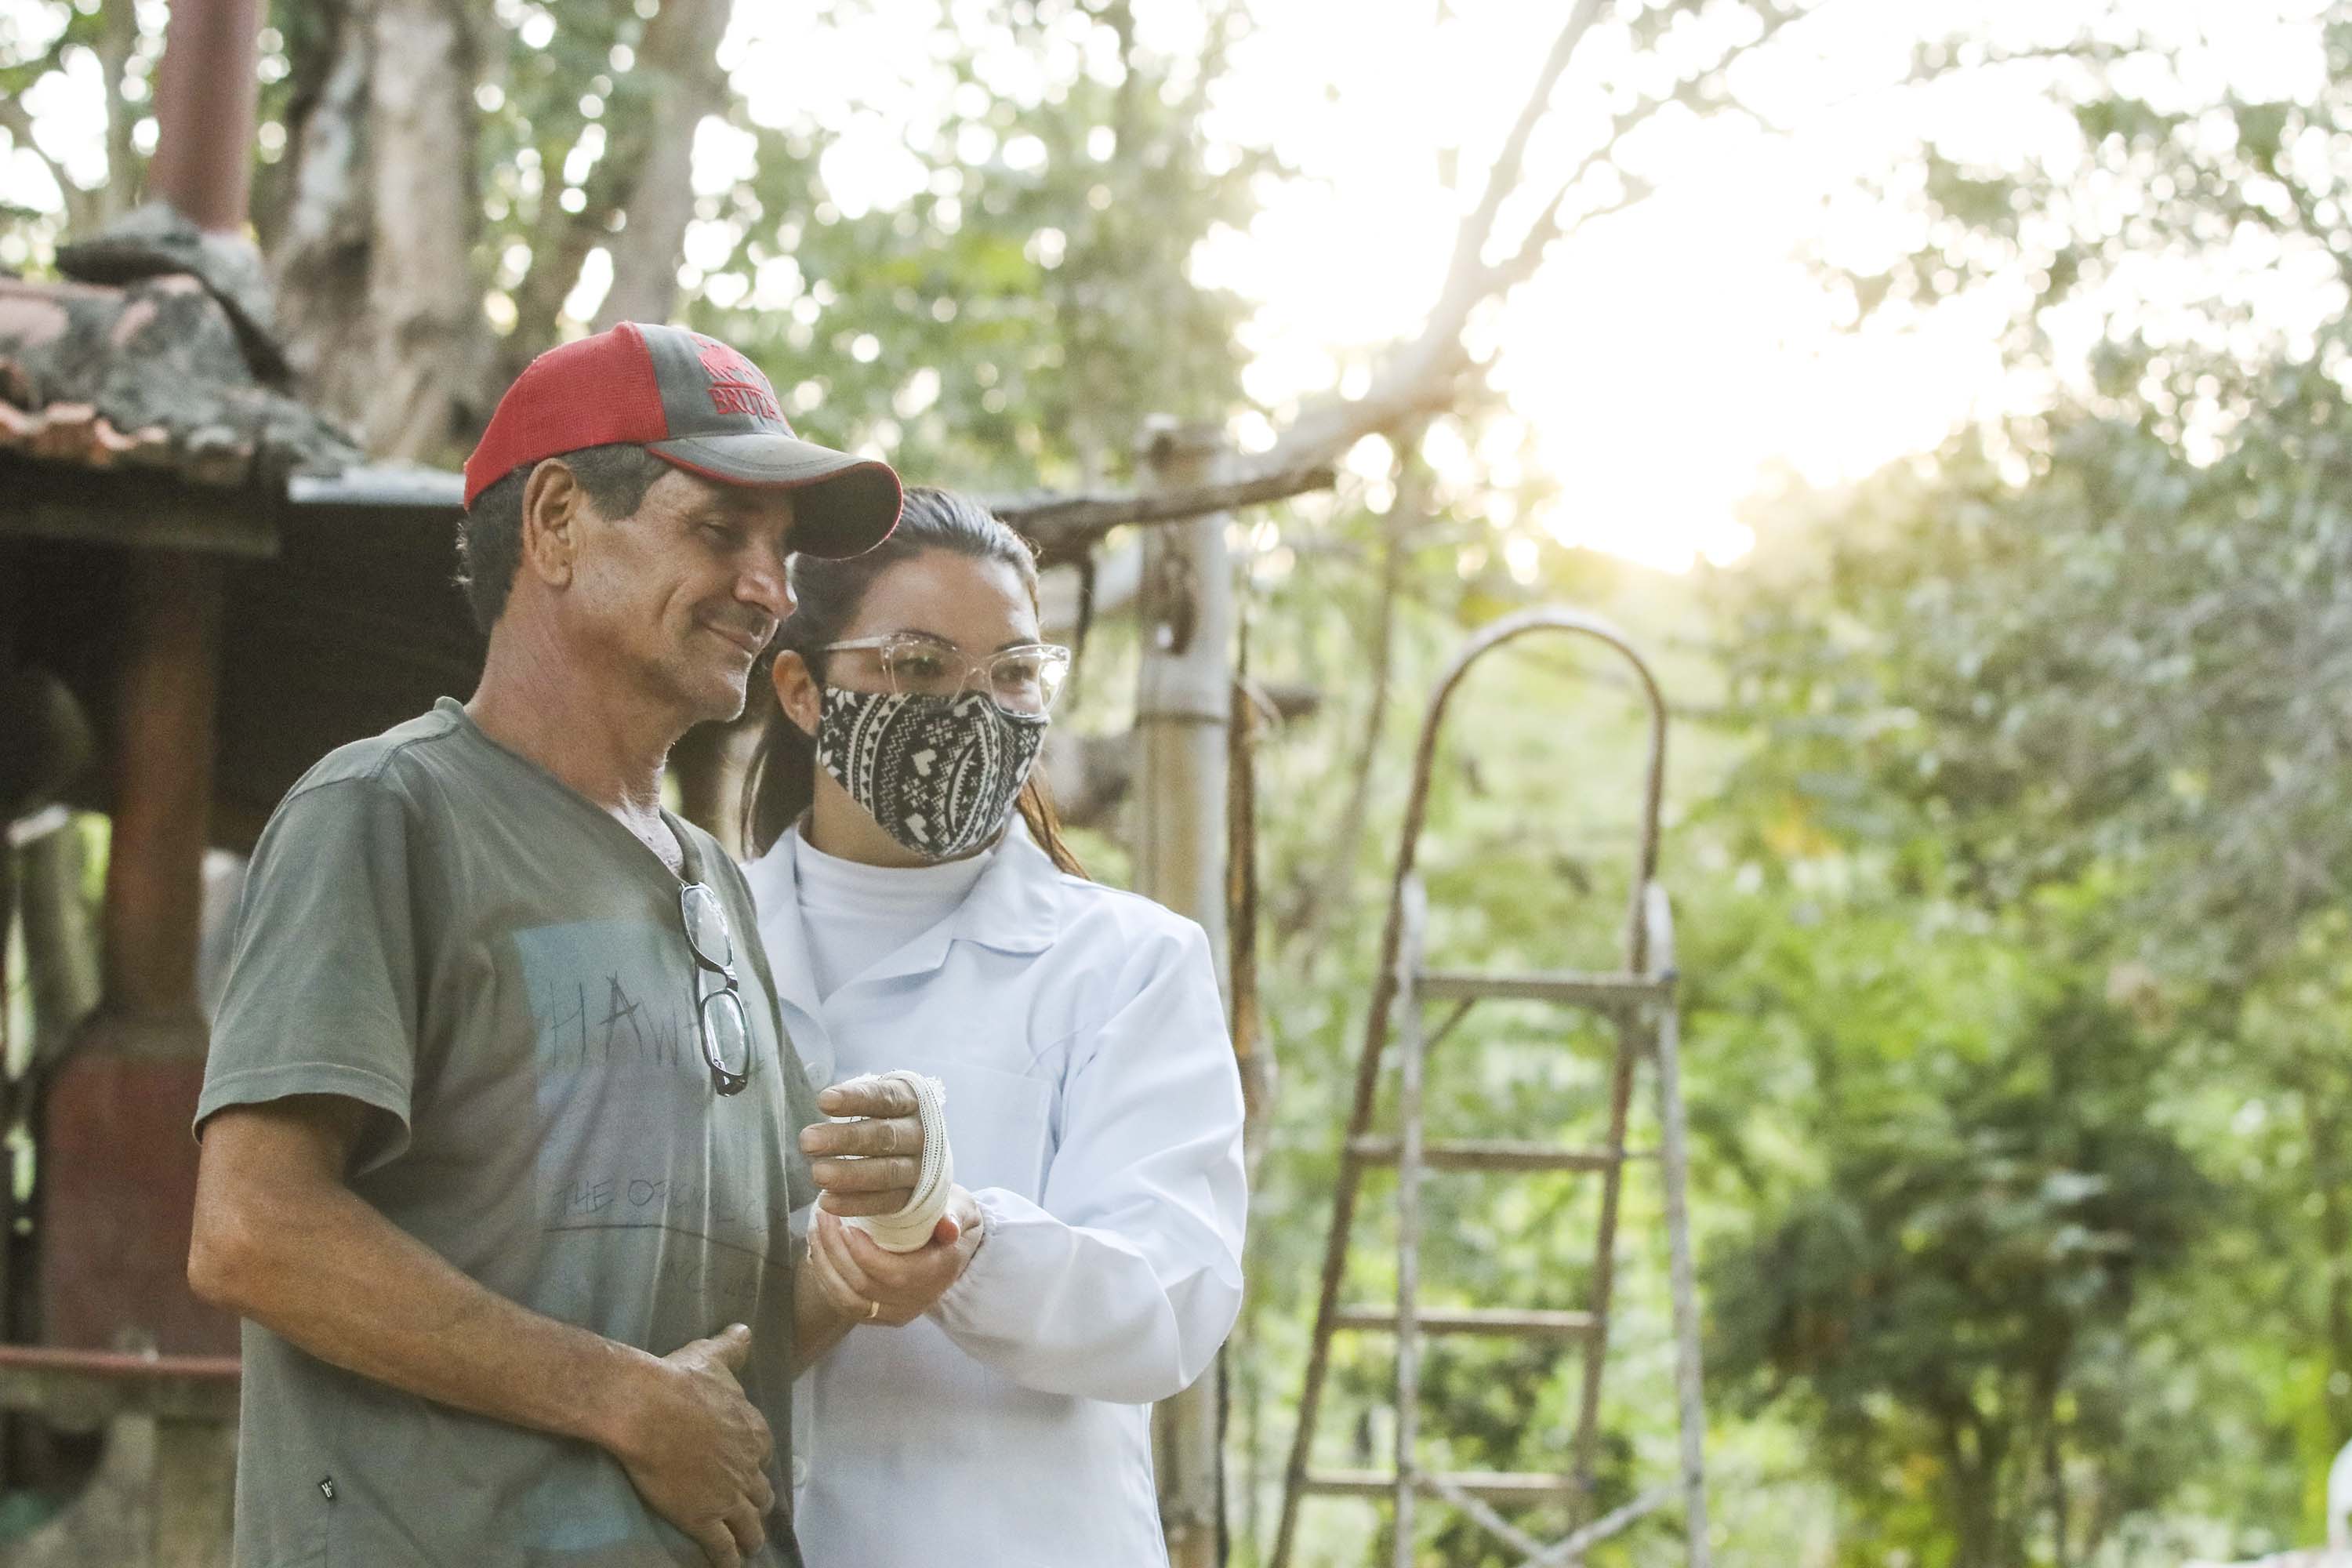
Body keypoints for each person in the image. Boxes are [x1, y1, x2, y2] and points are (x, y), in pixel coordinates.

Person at [187, 321, 964, 1568]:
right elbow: (251, 1230)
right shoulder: (387, 815)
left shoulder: (712, 883)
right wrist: (618, 1400)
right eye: (719, 531)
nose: (770, 588)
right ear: (554, 523)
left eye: (780, 551)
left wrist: (873, 1256)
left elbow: (724, 1332)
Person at [742, 486, 1249, 1566]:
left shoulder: (1128, 963)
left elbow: (1174, 1300)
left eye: (1013, 673)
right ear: (802, 689)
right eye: (919, 667)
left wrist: (961, 1239)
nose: (975, 708)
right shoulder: (694, 933)